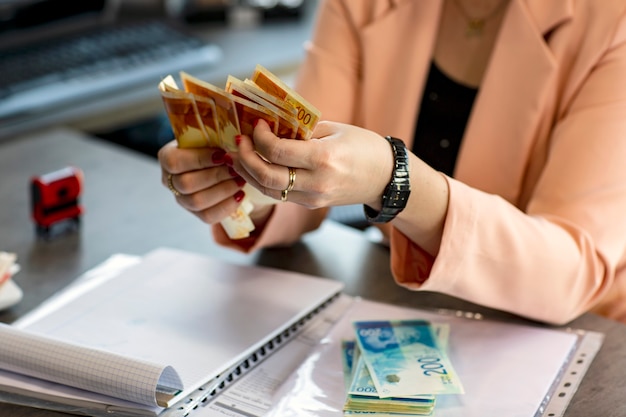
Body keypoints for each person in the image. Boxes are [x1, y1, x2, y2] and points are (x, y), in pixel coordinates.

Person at [158, 0, 626, 325]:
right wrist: (248, 189)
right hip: (404, 306)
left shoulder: (613, 21)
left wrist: (395, 180)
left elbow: (572, 268)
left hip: (585, 336)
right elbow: (306, 152)